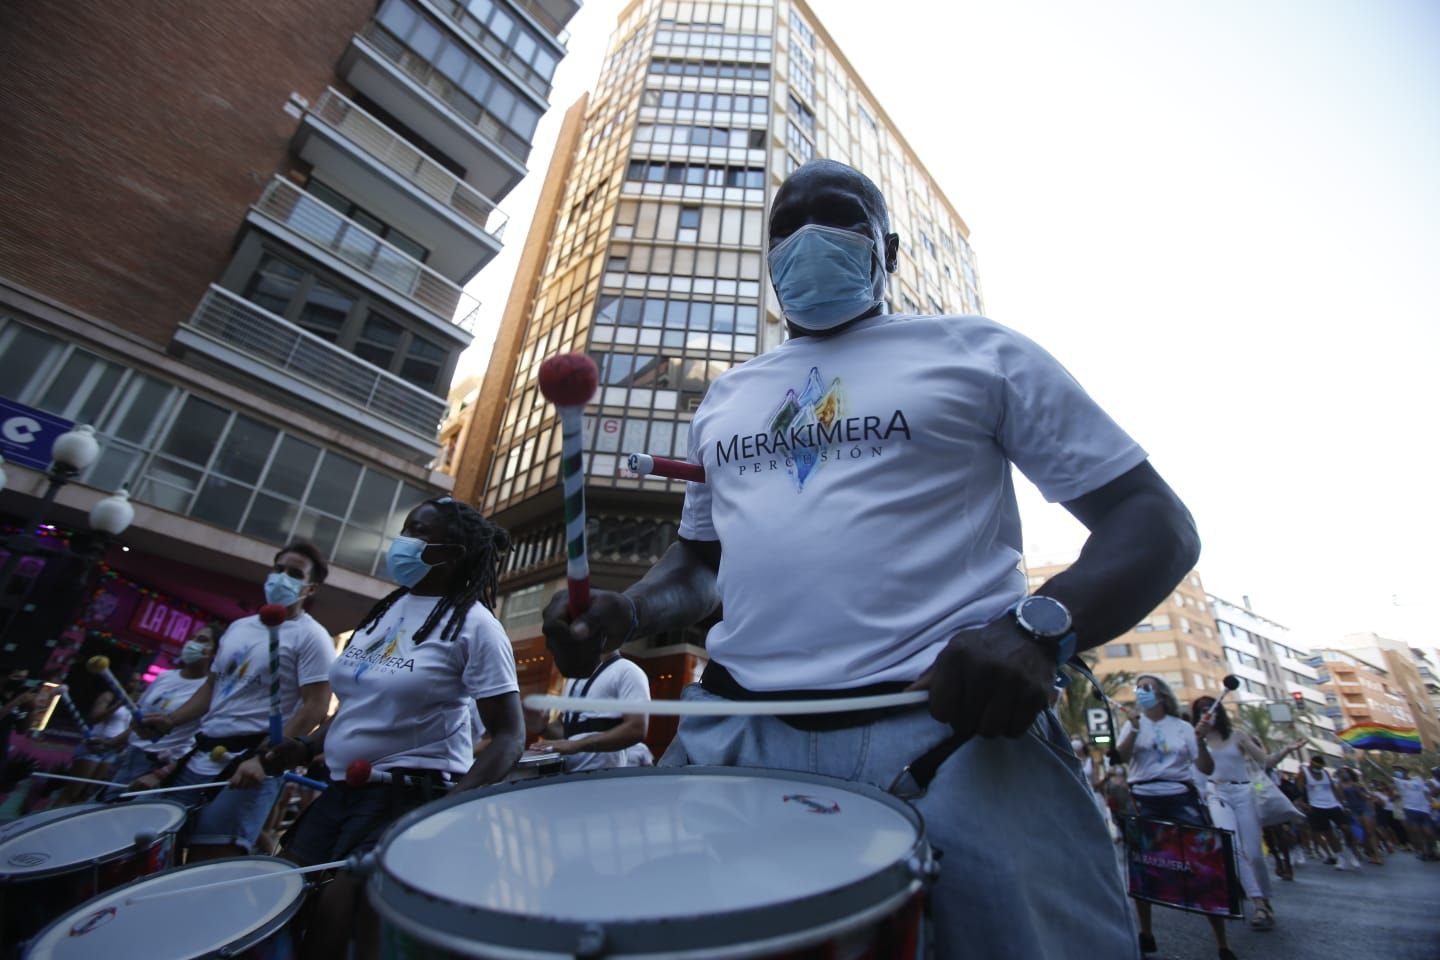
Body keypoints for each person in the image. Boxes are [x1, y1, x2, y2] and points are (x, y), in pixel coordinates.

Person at [543, 158, 1202, 960]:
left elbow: (1155, 522)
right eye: (787, 227)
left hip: (952, 736)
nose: (810, 238)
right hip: (736, 735)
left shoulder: (982, 352)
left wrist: (1037, 629)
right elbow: (698, 565)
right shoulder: (725, 397)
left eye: (841, 216)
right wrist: (630, 611)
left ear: (887, 252)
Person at [232, 497, 524, 960]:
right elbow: (355, 708)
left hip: (409, 797)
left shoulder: (476, 625)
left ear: (452, 552)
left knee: (336, 919)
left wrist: (450, 806)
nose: (404, 541)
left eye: (420, 533)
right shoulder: (383, 613)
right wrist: (303, 747)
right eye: (407, 527)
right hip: (341, 793)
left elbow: (509, 735)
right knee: (274, 902)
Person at [143, 543, 334, 859]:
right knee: (156, 851)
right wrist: (171, 720)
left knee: (211, 860)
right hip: (199, 754)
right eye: (279, 570)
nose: (282, 579)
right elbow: (213, 687)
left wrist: (265, 758)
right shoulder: (238, 627)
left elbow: (316, 706)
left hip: (250, 762)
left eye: (294, 574)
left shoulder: (313, 637)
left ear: (309, 588)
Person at [1116, 676, 1234, 959]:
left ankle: (1223, 944)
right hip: (1143, 798)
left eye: (1149, 687)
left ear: (1162, 693)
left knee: (1204, 864)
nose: (1142, 691)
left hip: (1180, 796)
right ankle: (1146, 933)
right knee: (1142, 864)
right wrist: (1132, 730)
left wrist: (1201, 741)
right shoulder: (1132, 724)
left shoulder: (1182, 727)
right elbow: (1119, 758)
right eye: (1139, 687)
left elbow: (1205, 768)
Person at [1190, 696, 1296, 930]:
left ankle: (1265, 899)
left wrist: (1287, 750)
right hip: (1217, 793)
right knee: (1232, 848)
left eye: (1211, 708)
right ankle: (1258, 903)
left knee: (1254, 854)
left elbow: (1265, 761)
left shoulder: (1237, 735)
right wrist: (1198, 740)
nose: (1208, 712)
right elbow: (1202, 769)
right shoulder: (1197, 739)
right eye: (1202, 710)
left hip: (1244, 792)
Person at [102, 625, 218, 799]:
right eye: (192, 638)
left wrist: (160, 774)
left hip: (157, 766)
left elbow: (201, 740)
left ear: (215, 653)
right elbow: (139, 719)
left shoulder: (210, 690)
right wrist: (110, 744)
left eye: (202, 640)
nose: (192, 644)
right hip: (128, 755)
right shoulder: (165, 677)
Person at [533, 649, 651, 771]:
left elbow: (636, 729)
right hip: (569, 776)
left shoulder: (629, 671)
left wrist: (577, 745)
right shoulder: (574, 678)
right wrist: (542, 728)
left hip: (604, 778)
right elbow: (568, 730)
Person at [56, 672, 142, 805]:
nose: (135, 685)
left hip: (112, 750)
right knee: (72, 792)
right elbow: (94, 718)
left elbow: (131, 725)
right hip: (94, 745)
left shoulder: (135, 701)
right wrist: (117, 704)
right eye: (132, 681)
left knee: (87, 794)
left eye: (138, 682)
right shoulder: (109, 696)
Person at [1299, 754, 1362, 869]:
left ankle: (1350, 851)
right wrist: (1302, 803)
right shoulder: (1304, 773)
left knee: (1346, 828)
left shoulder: (1325, 773)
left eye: (1320, 766)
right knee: (1328, 834)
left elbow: (1334, 789)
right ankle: (1340, 858)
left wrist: (1343, 804)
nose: (1318, 769)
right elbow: (1298, 790)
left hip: (1333, 805)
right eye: (1316, 766)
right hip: (1316, 806)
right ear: (1311, 763)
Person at [1335, 767, 1383, 865]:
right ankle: (1369, 851)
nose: (1343, 774)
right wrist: (1345, 807)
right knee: (1361, 833)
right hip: (1353, 810)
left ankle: (1377, 855)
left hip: (1364, 808)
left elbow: (1366, 796)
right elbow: (1341, 799)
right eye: (1341, 773)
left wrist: (1360, 791)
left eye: (1345, 772)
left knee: (1370, 831)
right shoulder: (1340, 786)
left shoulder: (1357, 784)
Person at [1394, 765, 1437, 860]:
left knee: (1428, 832)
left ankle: (1432, 851)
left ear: (1406, 771)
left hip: (1424, 809)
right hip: (1410, 809)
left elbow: (1427, 792)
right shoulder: (1399, 782)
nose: (1398, 772)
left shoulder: (1418, 779)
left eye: (1400, 770)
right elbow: (1383, 773)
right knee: (1417, 832)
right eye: (1396, 771)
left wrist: (1430, 801)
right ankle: (1423, 852)